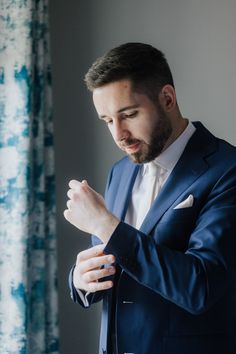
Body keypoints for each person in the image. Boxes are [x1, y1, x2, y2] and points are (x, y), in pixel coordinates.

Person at [64, 43, 236, 354]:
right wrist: (80, 280)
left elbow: (200, 286)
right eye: (107, 121)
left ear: (167, 98)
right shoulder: (120, 171)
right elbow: (114, 261)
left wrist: (105, 224)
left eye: (128, 115)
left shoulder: (228, 170)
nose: (119, 134)